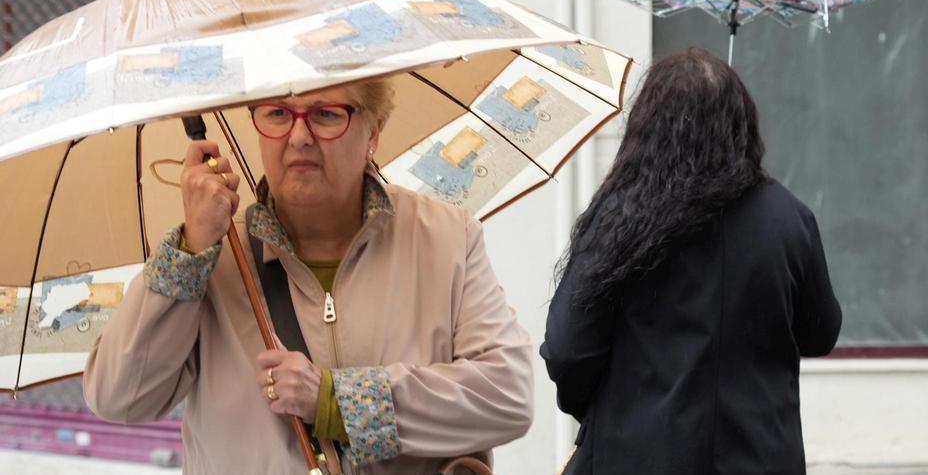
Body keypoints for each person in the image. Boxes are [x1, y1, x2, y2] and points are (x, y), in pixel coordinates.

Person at [83, 80, 534, 474]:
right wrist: (193, 248)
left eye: (326, 115)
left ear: (374, 129)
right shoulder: (212, 255)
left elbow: (507, 395)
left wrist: (337, 401)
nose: (299, 136)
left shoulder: (446, 239)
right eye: (278, 113)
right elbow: (118, 396)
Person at [542, 48, 842, 475]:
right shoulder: (789, 218)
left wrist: (607, 410)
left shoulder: (618, 215)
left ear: (647, 127)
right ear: (741, 124)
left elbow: (568, 348)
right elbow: (820, 333)